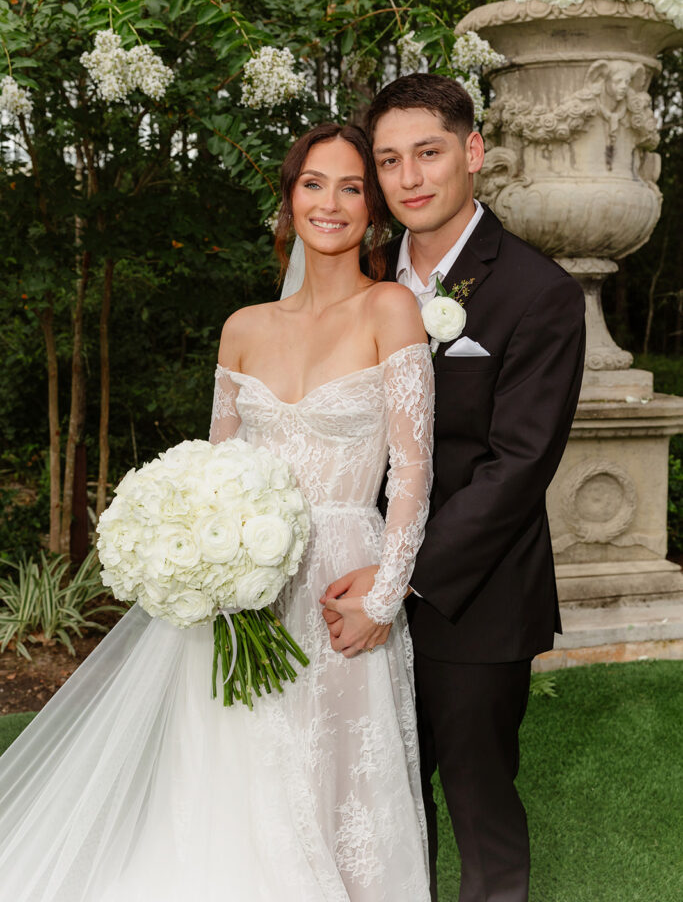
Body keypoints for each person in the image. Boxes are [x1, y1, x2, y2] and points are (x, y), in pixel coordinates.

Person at [0, 123, 434, 901]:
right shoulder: (242, 328)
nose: (328, 203)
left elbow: (412, 469)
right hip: (244, 590)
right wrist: (208, 557)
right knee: (237, 777)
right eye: (312, 183)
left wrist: (384, 591)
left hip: (343, 578)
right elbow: (214, 468)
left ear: (372, 208)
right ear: (288, 197)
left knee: (335, 780)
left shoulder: (390, 308)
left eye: (350, 186)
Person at [321, 75, 586, 902]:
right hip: (352, 587)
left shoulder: (537, 291)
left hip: (471, 600)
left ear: (471, 153)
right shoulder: (362, 279)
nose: (408, 179)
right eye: (390, 160)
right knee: (377, 804)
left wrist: (398, 580)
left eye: (427, 153)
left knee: (477, 812)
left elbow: (517, 466)